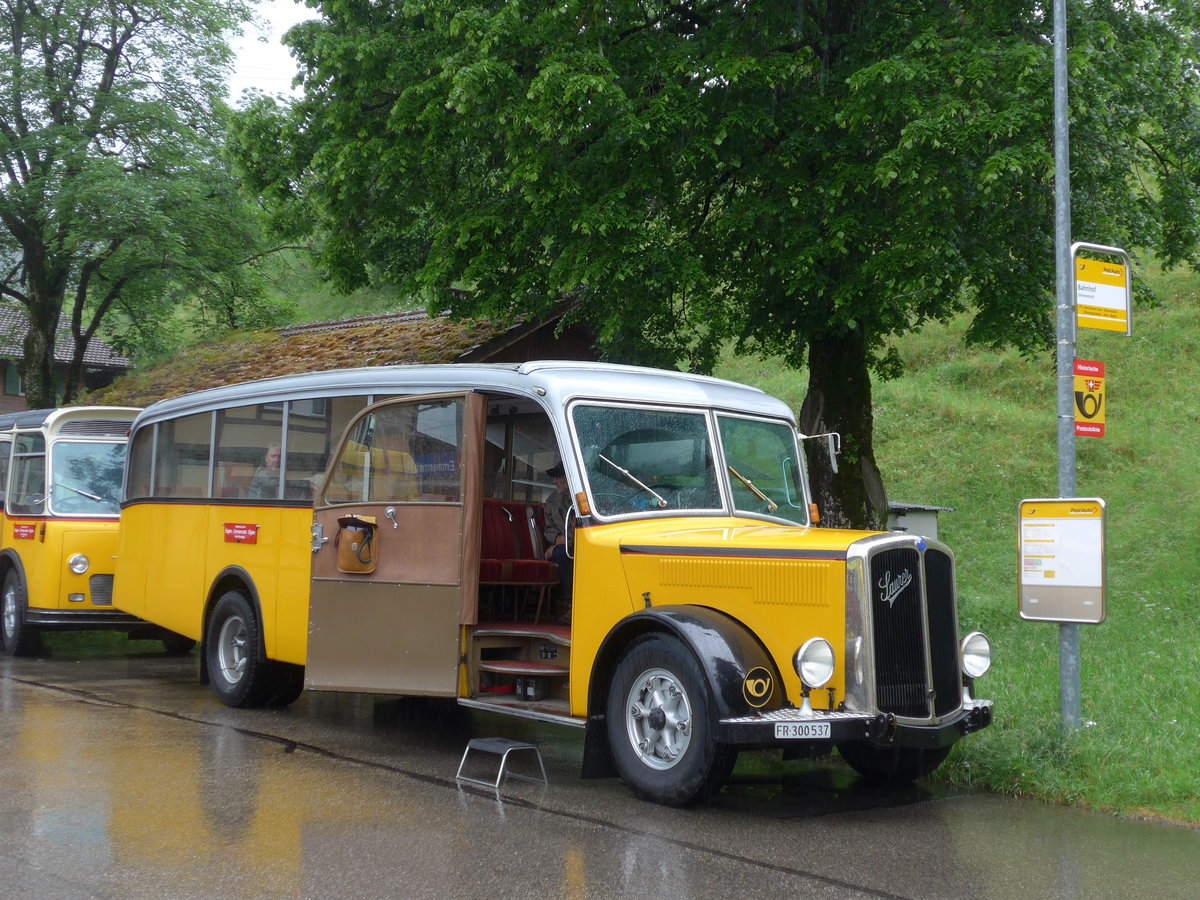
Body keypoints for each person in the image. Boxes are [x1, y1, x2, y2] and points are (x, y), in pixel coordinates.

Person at [543, 462, 573, 619]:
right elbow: (549, 529)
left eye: (558, 477)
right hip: (566, 547)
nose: (555, 481)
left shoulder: (587, 498)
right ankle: (565, 601)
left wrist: (569, 540)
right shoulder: (552, 501)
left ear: (569, 477)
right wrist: (557, 539)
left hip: (586, 543)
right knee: (561, 553)